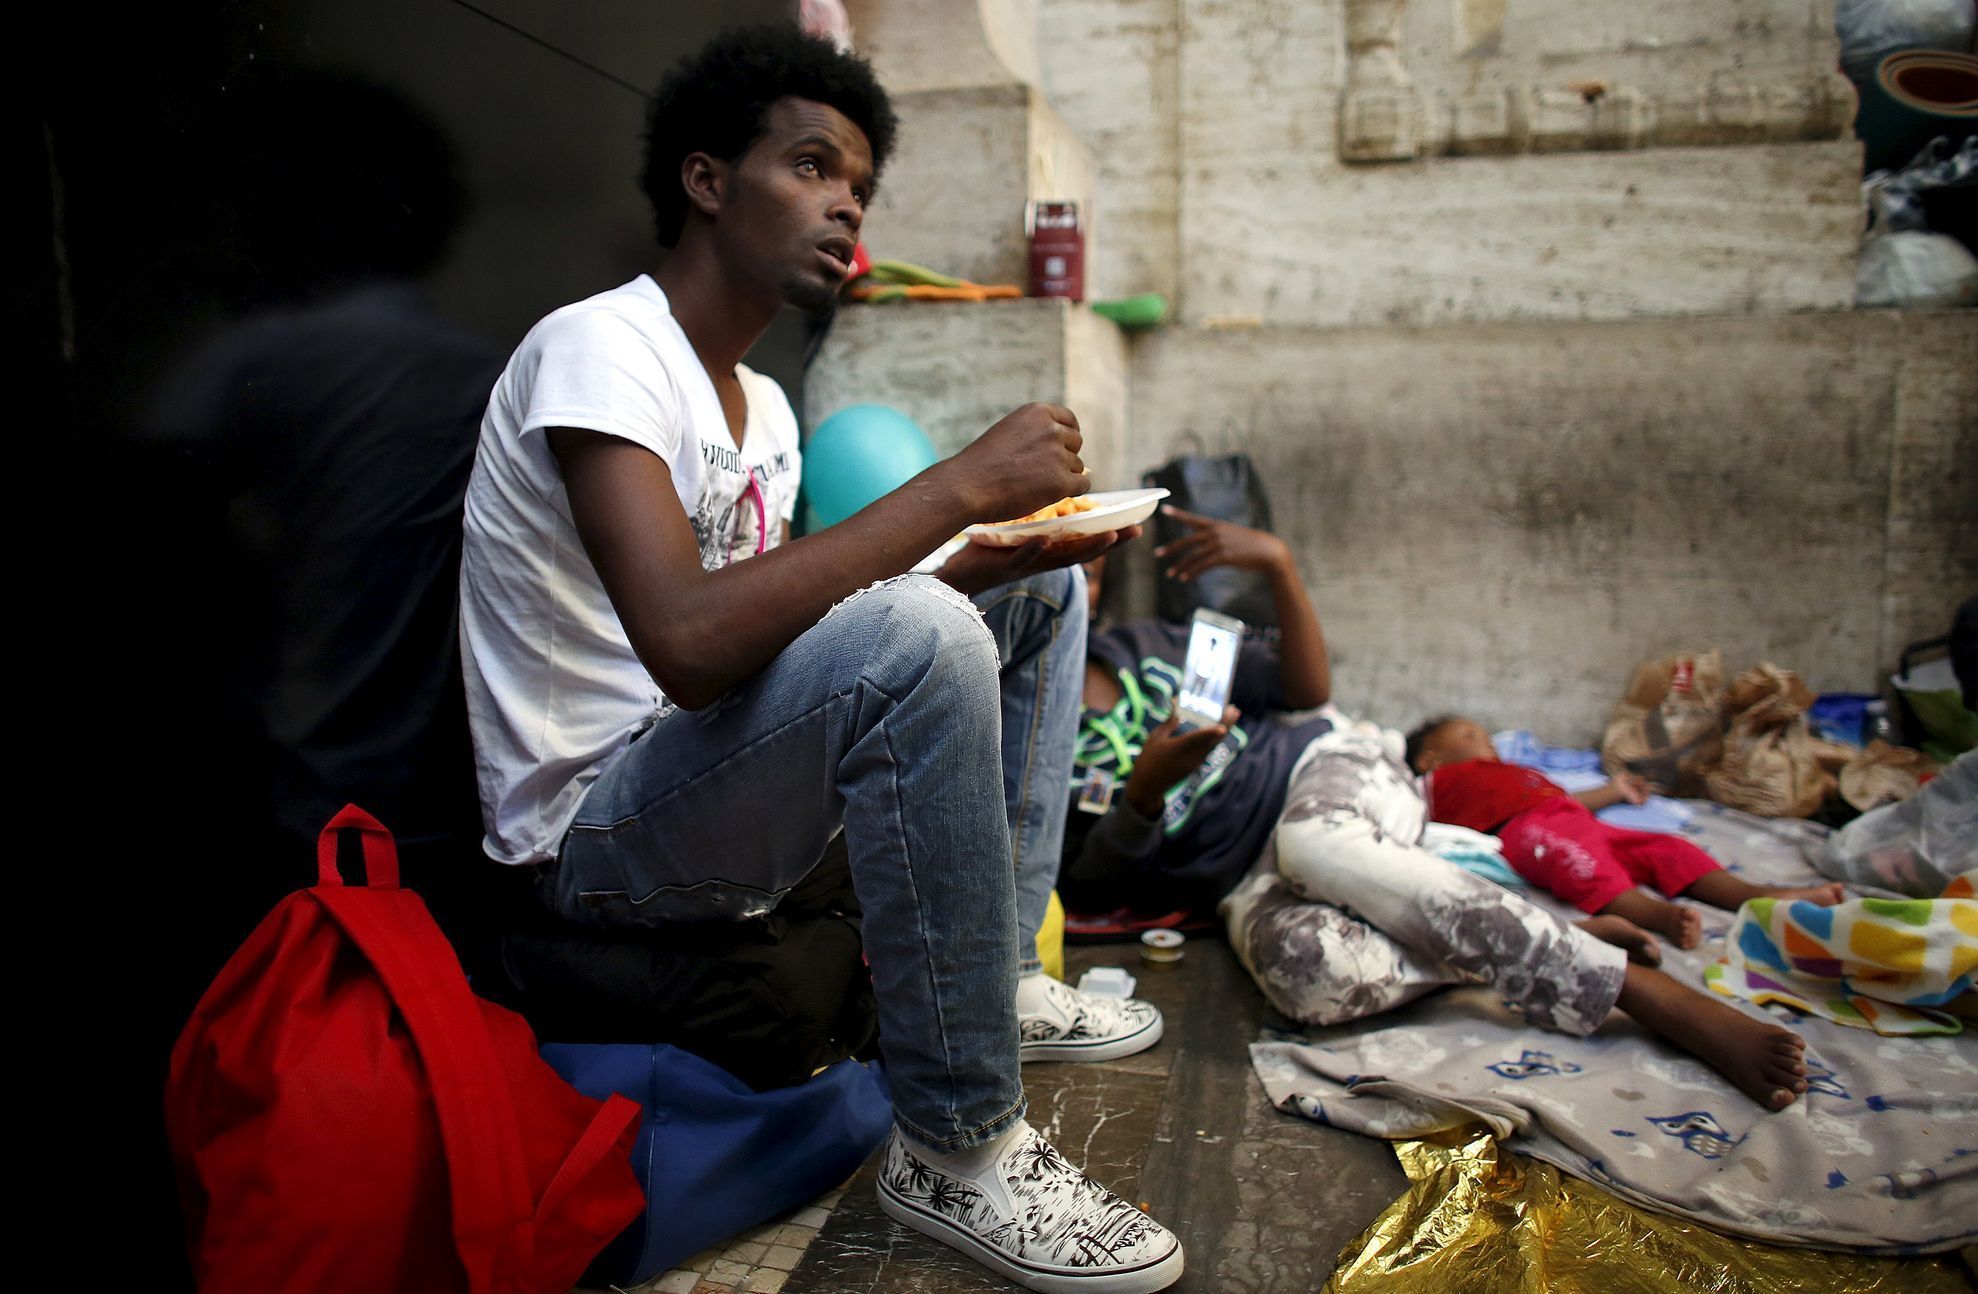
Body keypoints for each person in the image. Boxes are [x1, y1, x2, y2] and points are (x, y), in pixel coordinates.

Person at [457, 27, 1181, 1292]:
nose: (845, 203)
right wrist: (956, 488)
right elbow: (689, 643)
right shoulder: (600, 348)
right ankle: (956, 1145)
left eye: (859, 183)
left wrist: (982, 558)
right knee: (918, 623)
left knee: (1041, 589)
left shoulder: (768, 409)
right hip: (587, 832)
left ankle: (1004, 983)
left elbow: (781, 633)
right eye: (809, 166)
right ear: (705, 180)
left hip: (699, 773)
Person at [1060, 506, 1333, 918]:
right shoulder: (1019, 741)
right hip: (1241, 885)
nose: (1069, 590)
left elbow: (1306, 691)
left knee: (1319, 852)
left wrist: (1279, 565)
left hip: (1305, 779)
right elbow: (1090, 893)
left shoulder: (1148, 643)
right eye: (1048, 574)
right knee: (1318, 952)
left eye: (1087, 574)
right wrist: (1143, 796)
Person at [1406, 716, 1844, 948]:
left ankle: (1750, 894)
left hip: (1577, 820)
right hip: (1526, 832)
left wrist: (1614, 791)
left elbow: (1570, 802)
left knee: (1668, 849)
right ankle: (1654, 915)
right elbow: (1397, 803)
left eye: (1485, 734)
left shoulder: (1516, 773)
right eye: (1470, 734)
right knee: (1581, 864)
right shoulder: (1435, 781)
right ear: (1430, 758)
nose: (1486, 741)